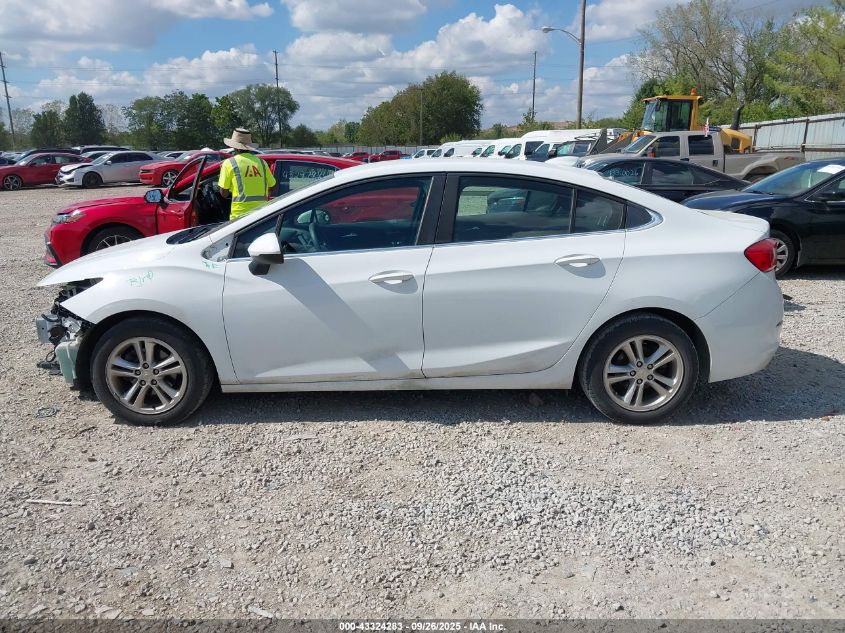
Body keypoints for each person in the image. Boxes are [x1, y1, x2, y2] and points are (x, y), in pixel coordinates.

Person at [218, 128, 276, 220]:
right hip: (261, 215)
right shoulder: (262, 163)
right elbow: (272, 186)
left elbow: (224, 194)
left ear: (235, 147)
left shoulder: (229, 163)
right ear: (249, 146)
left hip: (239, 216)